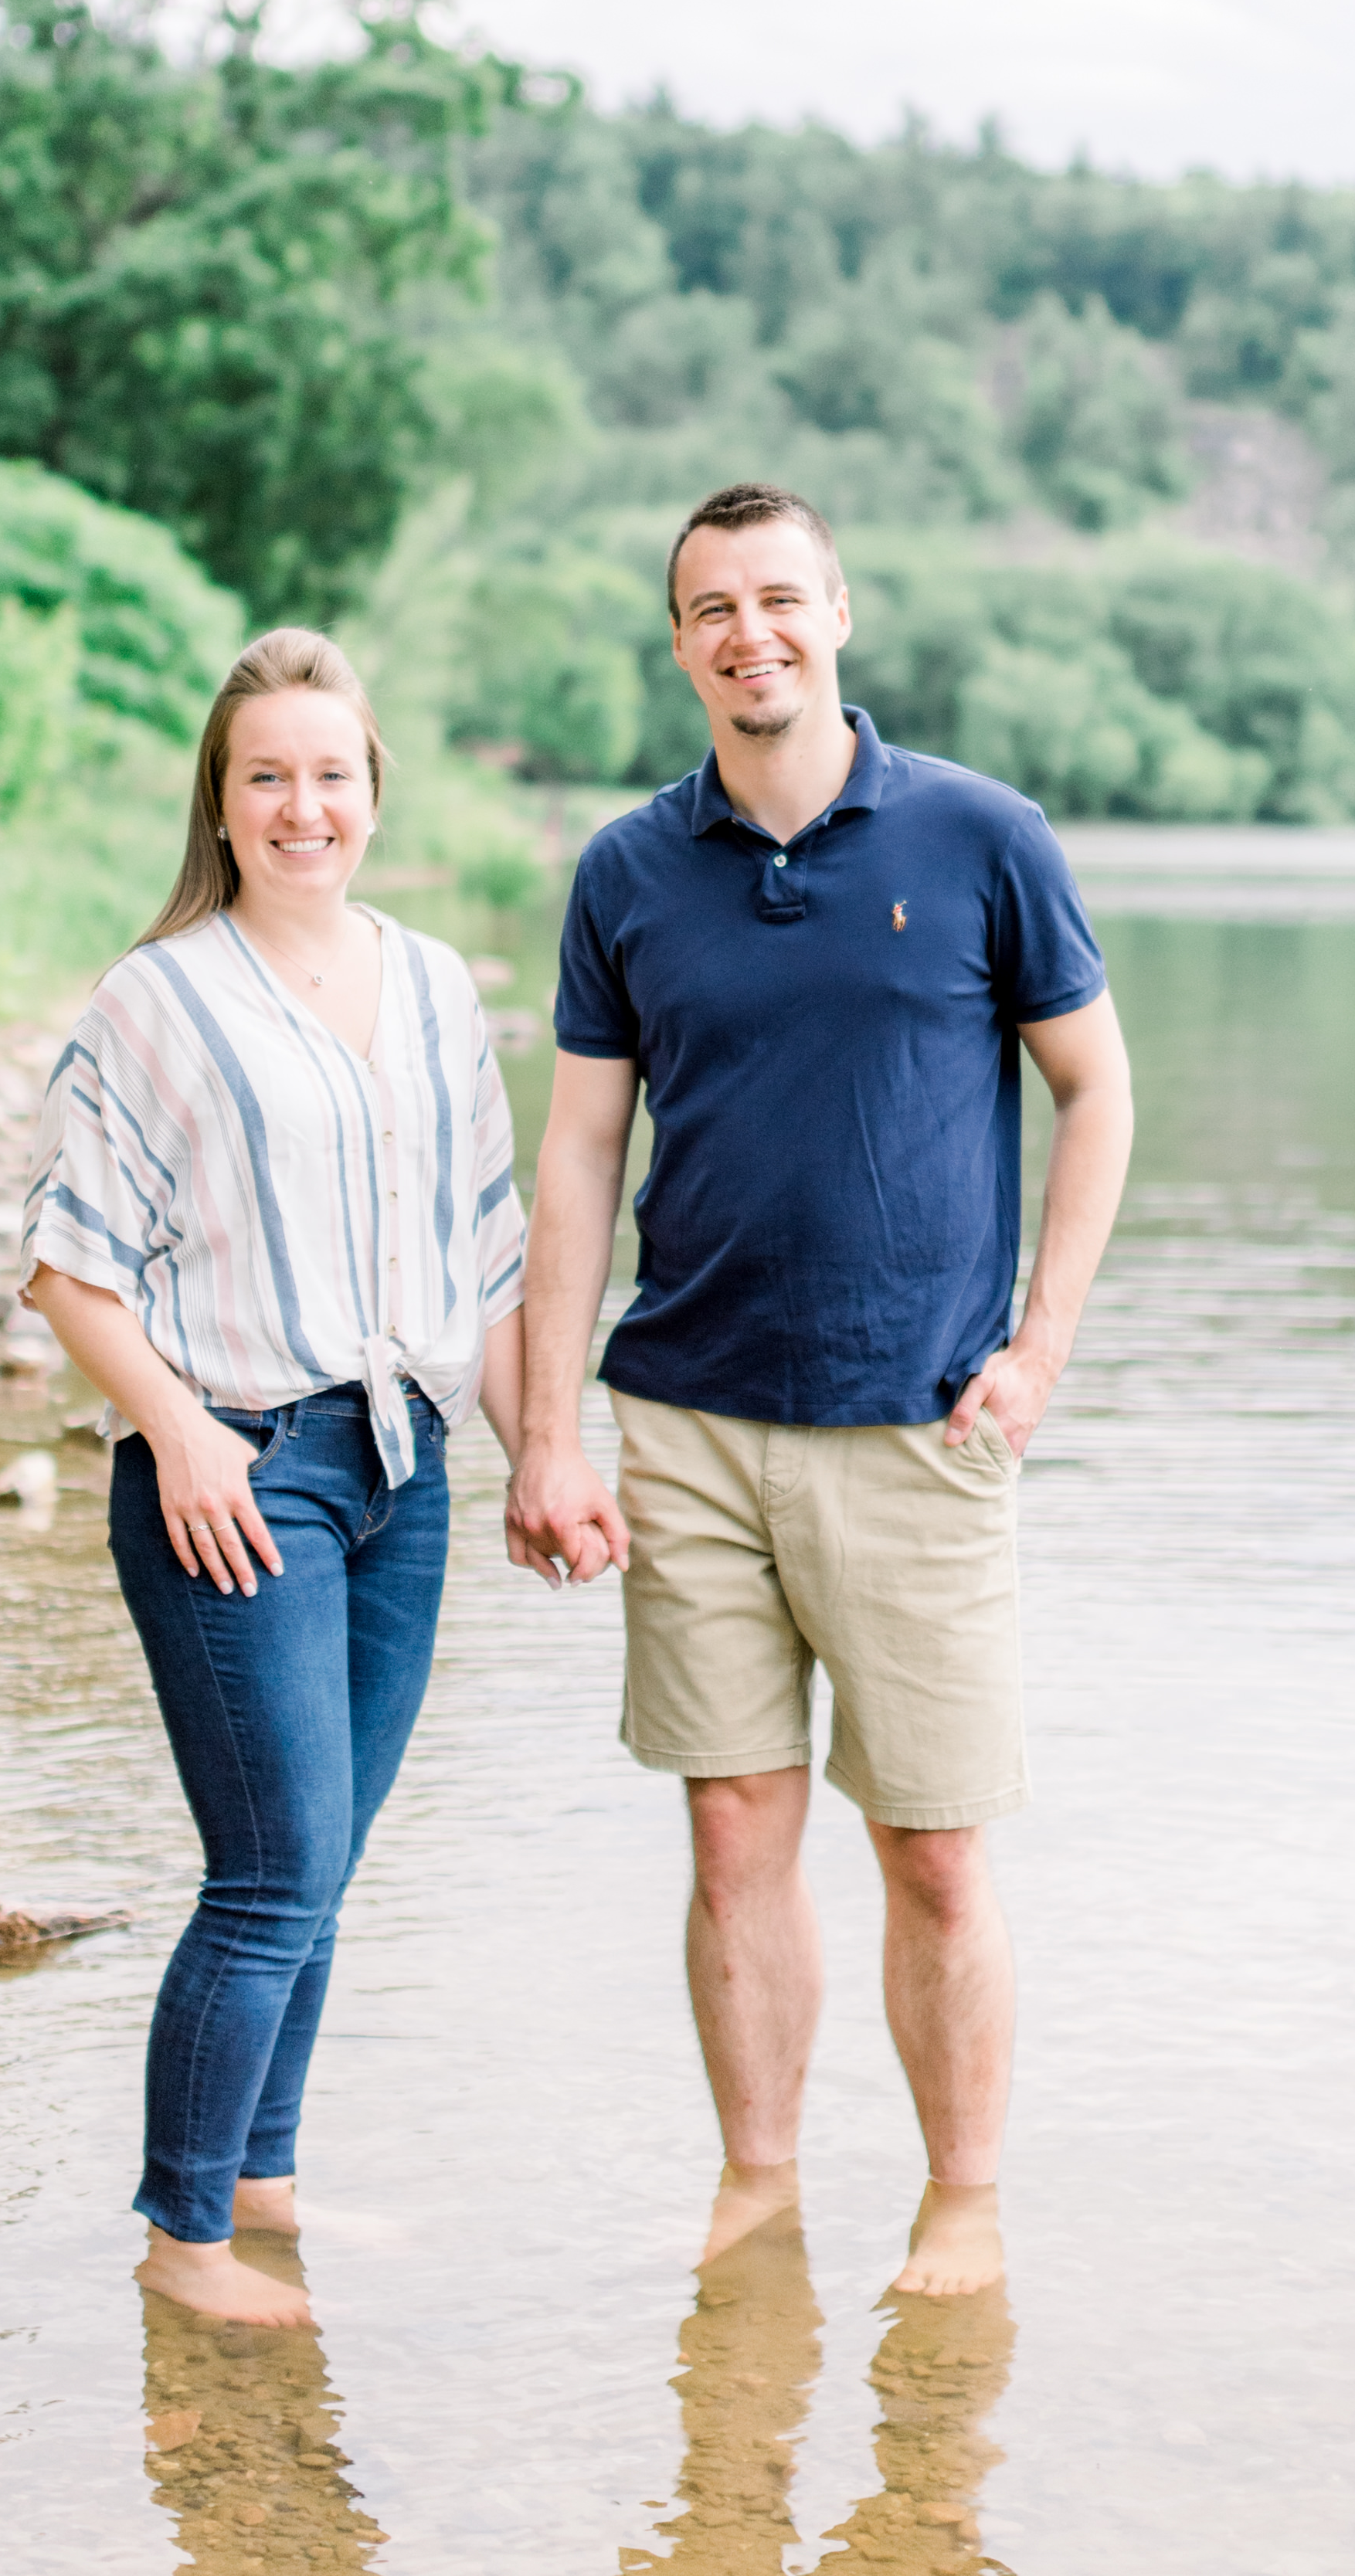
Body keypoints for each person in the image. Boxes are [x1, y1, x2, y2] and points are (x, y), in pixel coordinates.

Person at [507, 483, 1134, 2297]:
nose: (746, 633)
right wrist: (549, 1430)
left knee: (934, 1853)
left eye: (779, 598)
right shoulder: (627, 870)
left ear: (838, 612)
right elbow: (576, 1156)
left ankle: (960, 2202)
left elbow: (1094, 1090)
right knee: (730, 1832)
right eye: (711, 607)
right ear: (681, 640)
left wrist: (1040, 1349)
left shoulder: (981, 834)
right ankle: (760, 2189)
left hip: (921, 1422)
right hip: (688, 1419)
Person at [21, 626, 528, 2330]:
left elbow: (492, 1257)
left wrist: (551, 1463)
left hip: (406, 1470)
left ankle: (261, 2185)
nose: (301, 805)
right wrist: (179, 1432)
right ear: (223, 807)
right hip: (235, 1470)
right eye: (266, 778)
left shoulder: (439, 984)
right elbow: (68, 1266)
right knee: (270, 1865)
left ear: (372, 789)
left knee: (328, 1859)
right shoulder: (155, 998)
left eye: (330, 772)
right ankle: (180, 2243)